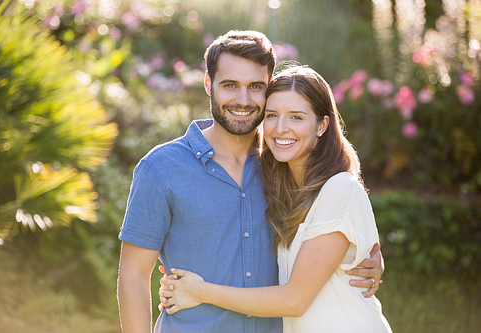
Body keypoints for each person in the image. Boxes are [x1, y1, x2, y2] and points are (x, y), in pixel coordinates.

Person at [117, 30, 384, 333]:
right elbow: (133, 275)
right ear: (209, 84)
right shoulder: (161, 168)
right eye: (230, 85)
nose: (242, 100)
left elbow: (326, 231)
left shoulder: (284, 165)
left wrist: (363, 256)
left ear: (269, 89)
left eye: (255, 87)